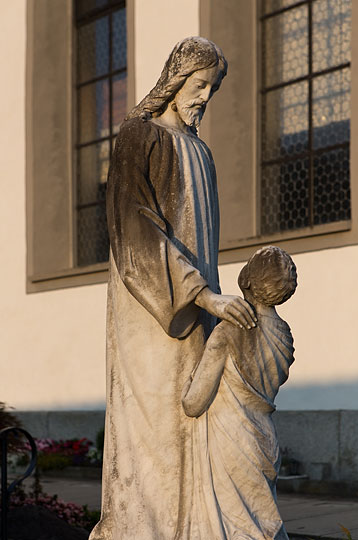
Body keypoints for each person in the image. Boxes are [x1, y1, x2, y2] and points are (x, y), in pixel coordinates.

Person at [89, 37, 256, 540]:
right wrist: (201, 295)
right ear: (176, 80)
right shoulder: (140, 136)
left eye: (213, 87)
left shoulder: (200, 151)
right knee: (156, 422)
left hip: (197, 306)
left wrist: (210, 299)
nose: (205, 95)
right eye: (199, 83)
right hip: (154, 306)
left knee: (192, 418)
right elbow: (135, 228)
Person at [182, 245, 297, 540]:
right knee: (262, 520)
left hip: (232, 436)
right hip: (264, 435)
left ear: (246, 279)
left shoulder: (228, 331)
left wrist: (184, 378)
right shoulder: (283, 334)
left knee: (238, 526)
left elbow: (194, 404)